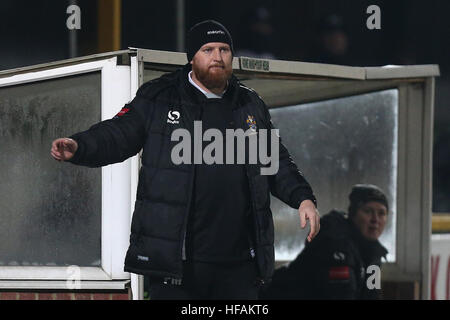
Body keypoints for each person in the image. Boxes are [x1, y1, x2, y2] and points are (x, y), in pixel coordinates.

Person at [50, 20, 319, 300]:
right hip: (178, 267)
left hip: (240, 267)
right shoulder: (159, 98)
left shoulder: (249, 104)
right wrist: (80, 146)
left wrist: (303, 198)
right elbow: (118, 134)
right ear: (192, 57)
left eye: (224, 49)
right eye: (208, 49)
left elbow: (275, 161)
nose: (217, 56)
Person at [260, 184, 388, 300]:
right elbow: (341, 295)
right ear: (353, 214)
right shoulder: (336, 243)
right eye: (368, 211)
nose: (375, 219)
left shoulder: (374, 254)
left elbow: (372, 296)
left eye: (381, 213)